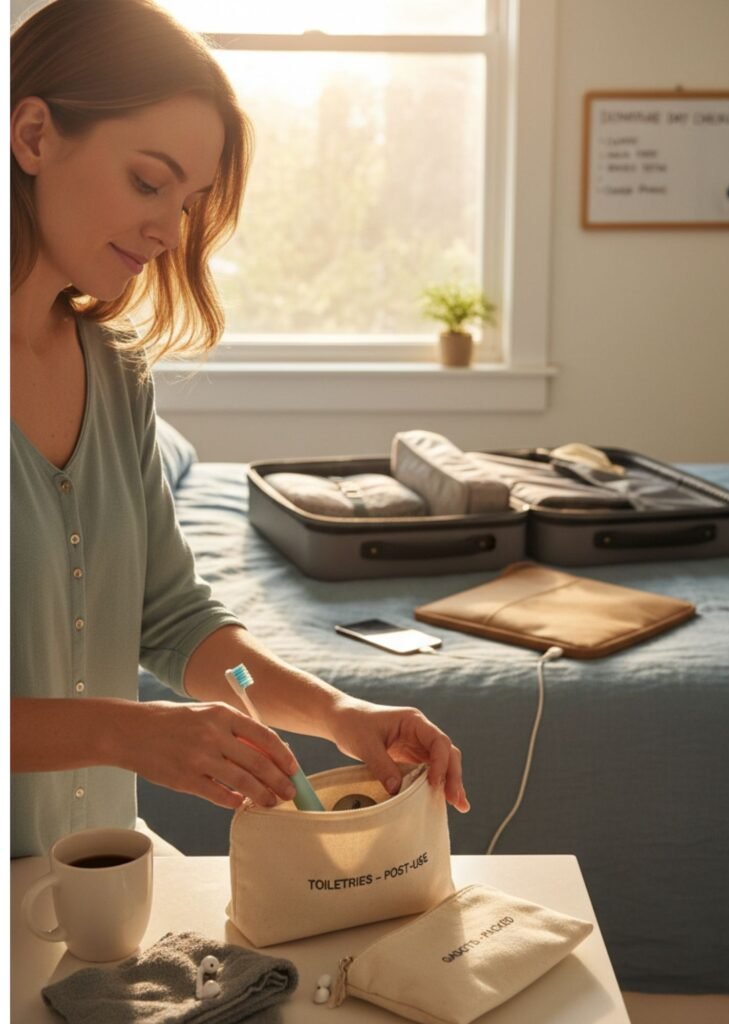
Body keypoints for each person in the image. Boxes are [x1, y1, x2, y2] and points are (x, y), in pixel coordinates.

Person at [10, 0, 468, 859]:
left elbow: (174, 619)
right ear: (32, 135)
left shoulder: (113, 375)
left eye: (188, 201)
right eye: (149, 180)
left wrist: (341, 714)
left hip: (93, 873)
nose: (168, 229)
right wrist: (122, 733)